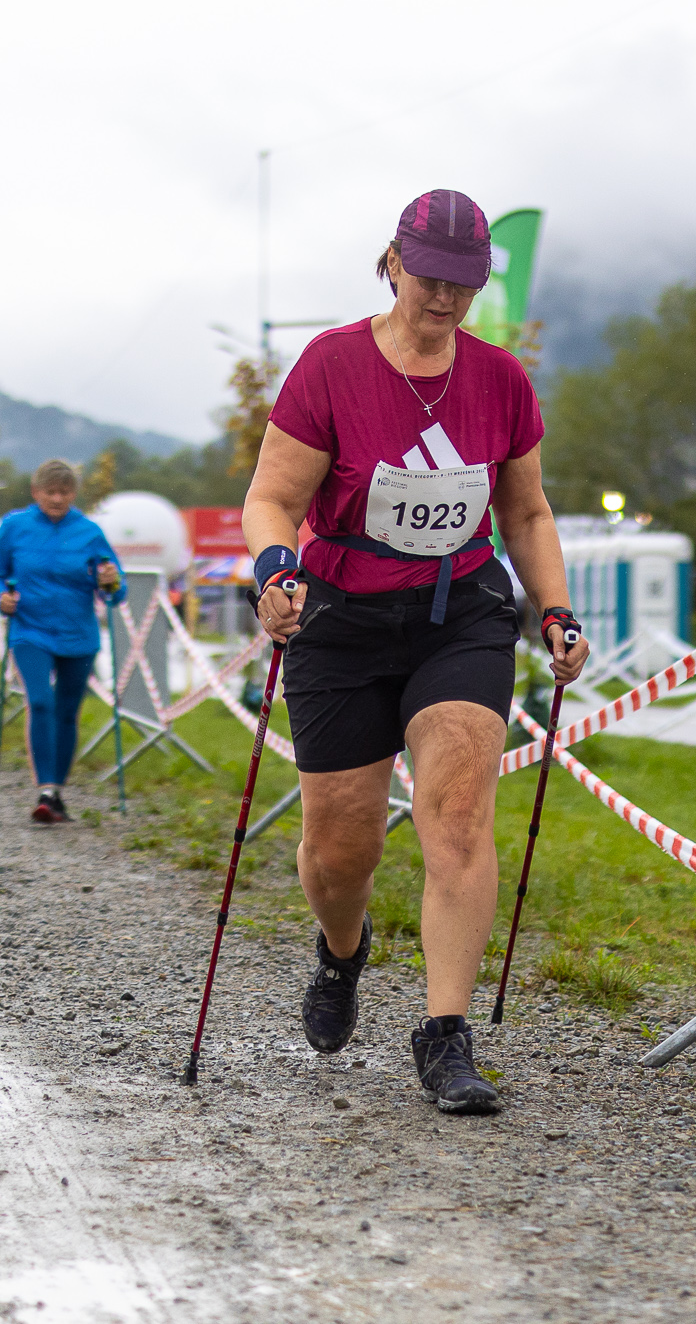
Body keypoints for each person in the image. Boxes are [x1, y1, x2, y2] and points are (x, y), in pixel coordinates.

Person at [241, 189, 588, 1115]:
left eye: (464, 285)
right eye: (430, 278)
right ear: (393, 262)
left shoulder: (501, 380)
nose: (444, 298)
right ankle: (341, 951)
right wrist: (275, 568)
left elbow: (525, 512)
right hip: (342, 619)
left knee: (459, 814)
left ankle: (445, 1033)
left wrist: (554, 610)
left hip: (459, 613)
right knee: (340, 849)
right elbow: (272, 498)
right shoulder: (332, 365)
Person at [0, 459, 124, 824]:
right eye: (50, 492)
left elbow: (115, 591)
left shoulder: (89, 532)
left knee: (67, 712)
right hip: (30, 631)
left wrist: (110, 580)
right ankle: (45, 789)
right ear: (36, 492)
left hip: (79, 636)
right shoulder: (14, 527)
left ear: (74, 494)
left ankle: (56, 792)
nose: (57, 499)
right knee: (40, 702)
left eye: (64, 492)